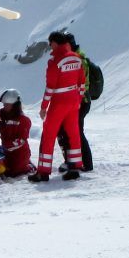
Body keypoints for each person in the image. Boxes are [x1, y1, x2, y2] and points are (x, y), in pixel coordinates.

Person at [29, 31, 86, 182]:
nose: (49, 46)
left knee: (48, 135)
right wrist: (78, 99)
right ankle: (74, 166)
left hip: (59, 102)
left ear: (55, 43)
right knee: (73, 134)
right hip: (73, 101)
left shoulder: (55, 62)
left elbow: (50, 88)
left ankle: (43, 171)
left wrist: (43, 107)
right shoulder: (77, 58)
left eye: (50, 42)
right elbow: (82, 82)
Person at [57, 32, 100, 172]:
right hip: (78, 100)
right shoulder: (74, 57)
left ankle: (85, 164)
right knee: (67, 131)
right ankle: (72, 161)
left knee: (75, 131)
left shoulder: (77, 59)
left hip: (80, 101)